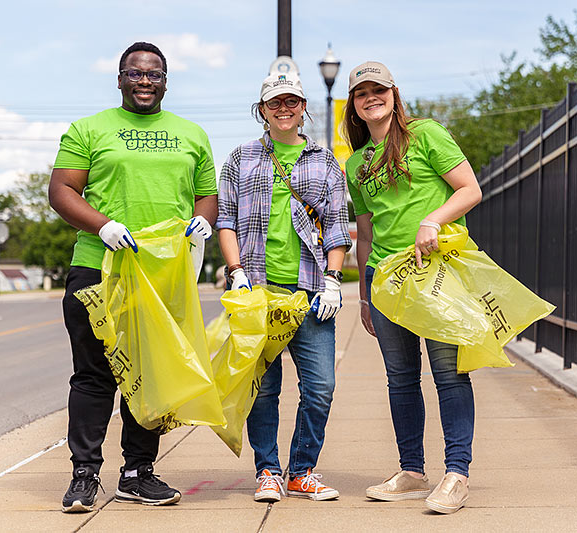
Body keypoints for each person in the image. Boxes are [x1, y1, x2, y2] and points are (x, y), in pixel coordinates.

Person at [49, 41, 217, 513]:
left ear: (166, 81)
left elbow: (206, 194)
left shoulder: (192, 134)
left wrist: (203, 219)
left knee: (150, 375)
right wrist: (103, 224)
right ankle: (84, 474)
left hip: (163, 273)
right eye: (135, 73)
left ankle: (137, 473)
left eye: (154, 74)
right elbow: (61, 190)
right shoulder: (89, 128)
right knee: (93, 375)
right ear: (120, 78)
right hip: (98, 269)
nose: (145, 81)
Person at [343, 61, 482, 514]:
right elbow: (364, 233)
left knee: (448, 373)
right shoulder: (357, 162)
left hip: (436, 273)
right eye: (362, 93)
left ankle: (456, 473)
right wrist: (365, 294)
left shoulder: (425, 135)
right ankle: (412, 472)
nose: (371, 98)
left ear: (393, 94)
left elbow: (469, 189)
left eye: (377, 90)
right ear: (354, 104)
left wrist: (433, 219)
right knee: (401, 379)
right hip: (387, 281)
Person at [217, 72, 352, 502]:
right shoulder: (240, 159)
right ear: (262, 110)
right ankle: (269, 471)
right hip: (258, 291)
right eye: (274, 102)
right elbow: (225, 219)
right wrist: (235, 270)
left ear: (303, 107)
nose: (283, 108)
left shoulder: (324, 161)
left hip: (311, 292)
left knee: (320, 387)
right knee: (264, 388)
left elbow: (336, 226)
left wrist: (333, 280)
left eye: (291, 101)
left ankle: (302, 469)